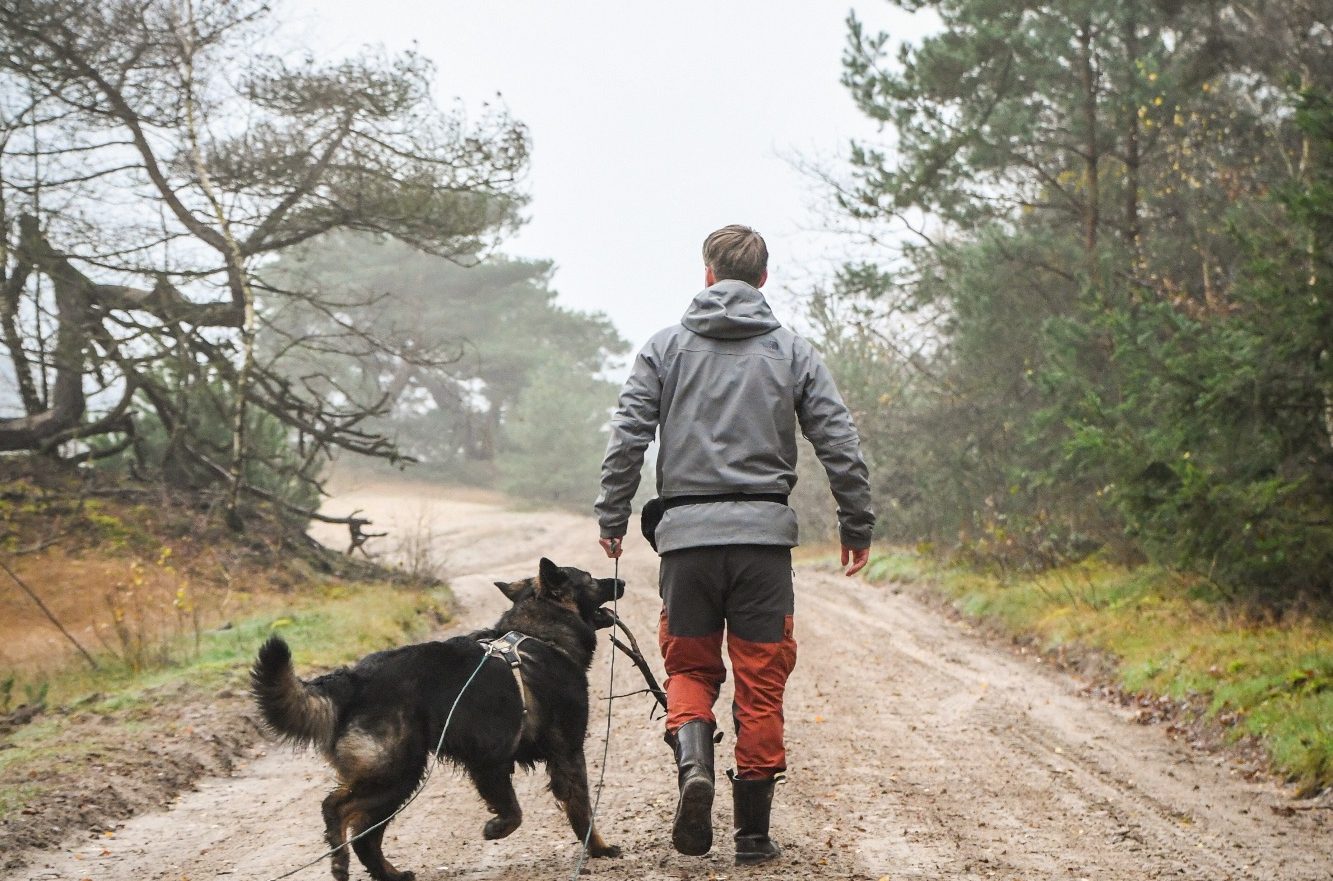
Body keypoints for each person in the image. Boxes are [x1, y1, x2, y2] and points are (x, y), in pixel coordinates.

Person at [594, 224, 874, 865]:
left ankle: (694, 767)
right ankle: (752, 835)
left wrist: (612, 514)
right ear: (763, 279)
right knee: (761, 682)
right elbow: (839, 441)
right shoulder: (792, 352)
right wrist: (856, 523)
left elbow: (628, 438)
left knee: (690, 669)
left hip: (686, 545)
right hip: (762, 548)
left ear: (708, 274)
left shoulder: (664, 348)